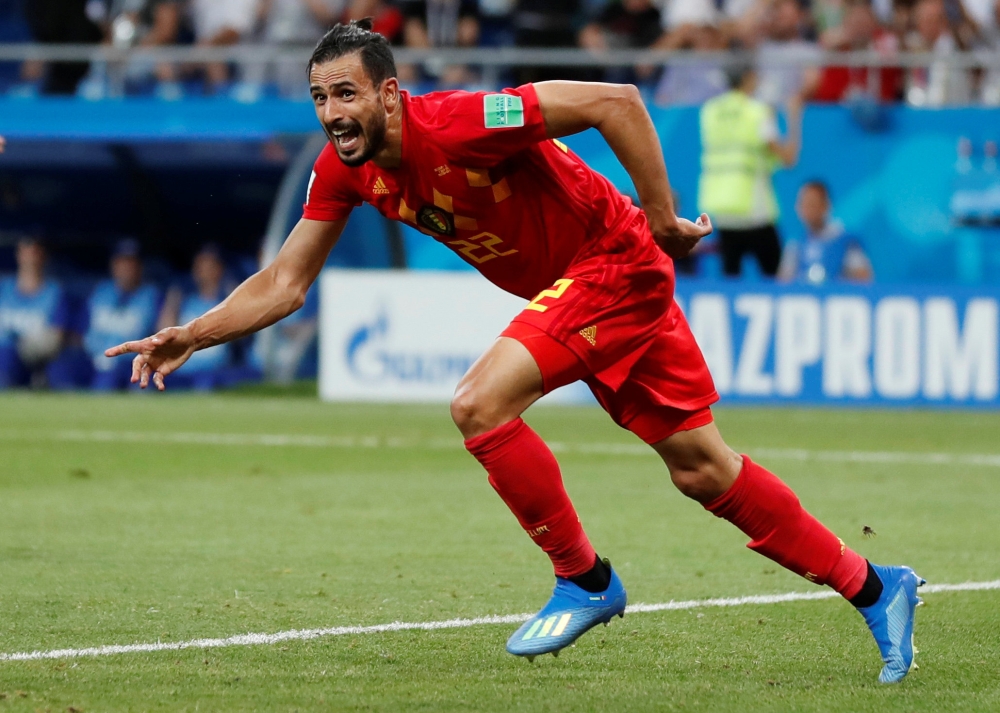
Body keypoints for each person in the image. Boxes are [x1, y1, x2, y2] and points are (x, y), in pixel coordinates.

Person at [107, 19, 924, 682]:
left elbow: (618, 101)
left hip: (616, 262)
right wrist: (193, 332)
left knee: (477, 401)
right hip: (594, 287)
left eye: (347, 93)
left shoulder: (461, 119)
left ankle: (586, 579)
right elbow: (285, 281)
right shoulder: (345, 169)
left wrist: (665, 218)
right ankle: (877, 586)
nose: (332, 112)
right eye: (320, 97)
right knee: (702, 469)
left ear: (390, 93)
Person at [698, 64, 800, 277]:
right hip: (754, 210)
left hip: (722, 208)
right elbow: (788, 158)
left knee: (730, 281)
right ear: (747, 77)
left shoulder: (710, 111)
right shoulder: (757, 112)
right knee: (775, 279)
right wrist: (794, 118)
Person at [83, 239, 162, 390]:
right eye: (122, 262)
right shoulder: (99, 292)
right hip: (94, 359)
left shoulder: (152, 296)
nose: (127, 268)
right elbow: (80, 333)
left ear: (140, 267)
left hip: (132, 362)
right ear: (113, 265)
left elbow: (161, 332)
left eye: (132, 263)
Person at [156, 244, 235, 390]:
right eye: (200, 265)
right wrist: (172, 304)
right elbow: (163, 332)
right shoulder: (186, 300)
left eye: (210, 265)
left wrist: (234, 294)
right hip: (183, 367)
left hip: (216, 370)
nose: (203, 271)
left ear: (220, 269)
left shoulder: (227, 301)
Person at [0, 237, 73, 387]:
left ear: (43, 256)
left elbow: (57, 336)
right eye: (26, 251)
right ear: (18, 254)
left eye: (35, 251)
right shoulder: (4, 287)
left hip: (33, 357)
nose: (30, 257)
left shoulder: (54, 292)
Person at [778, 181, 874, 283]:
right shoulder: (795, 245)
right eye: (803, 203)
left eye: (812, 204)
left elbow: (864, 278)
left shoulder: (845, 242)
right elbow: (783, 284)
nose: (807, 209)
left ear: (826, 205)